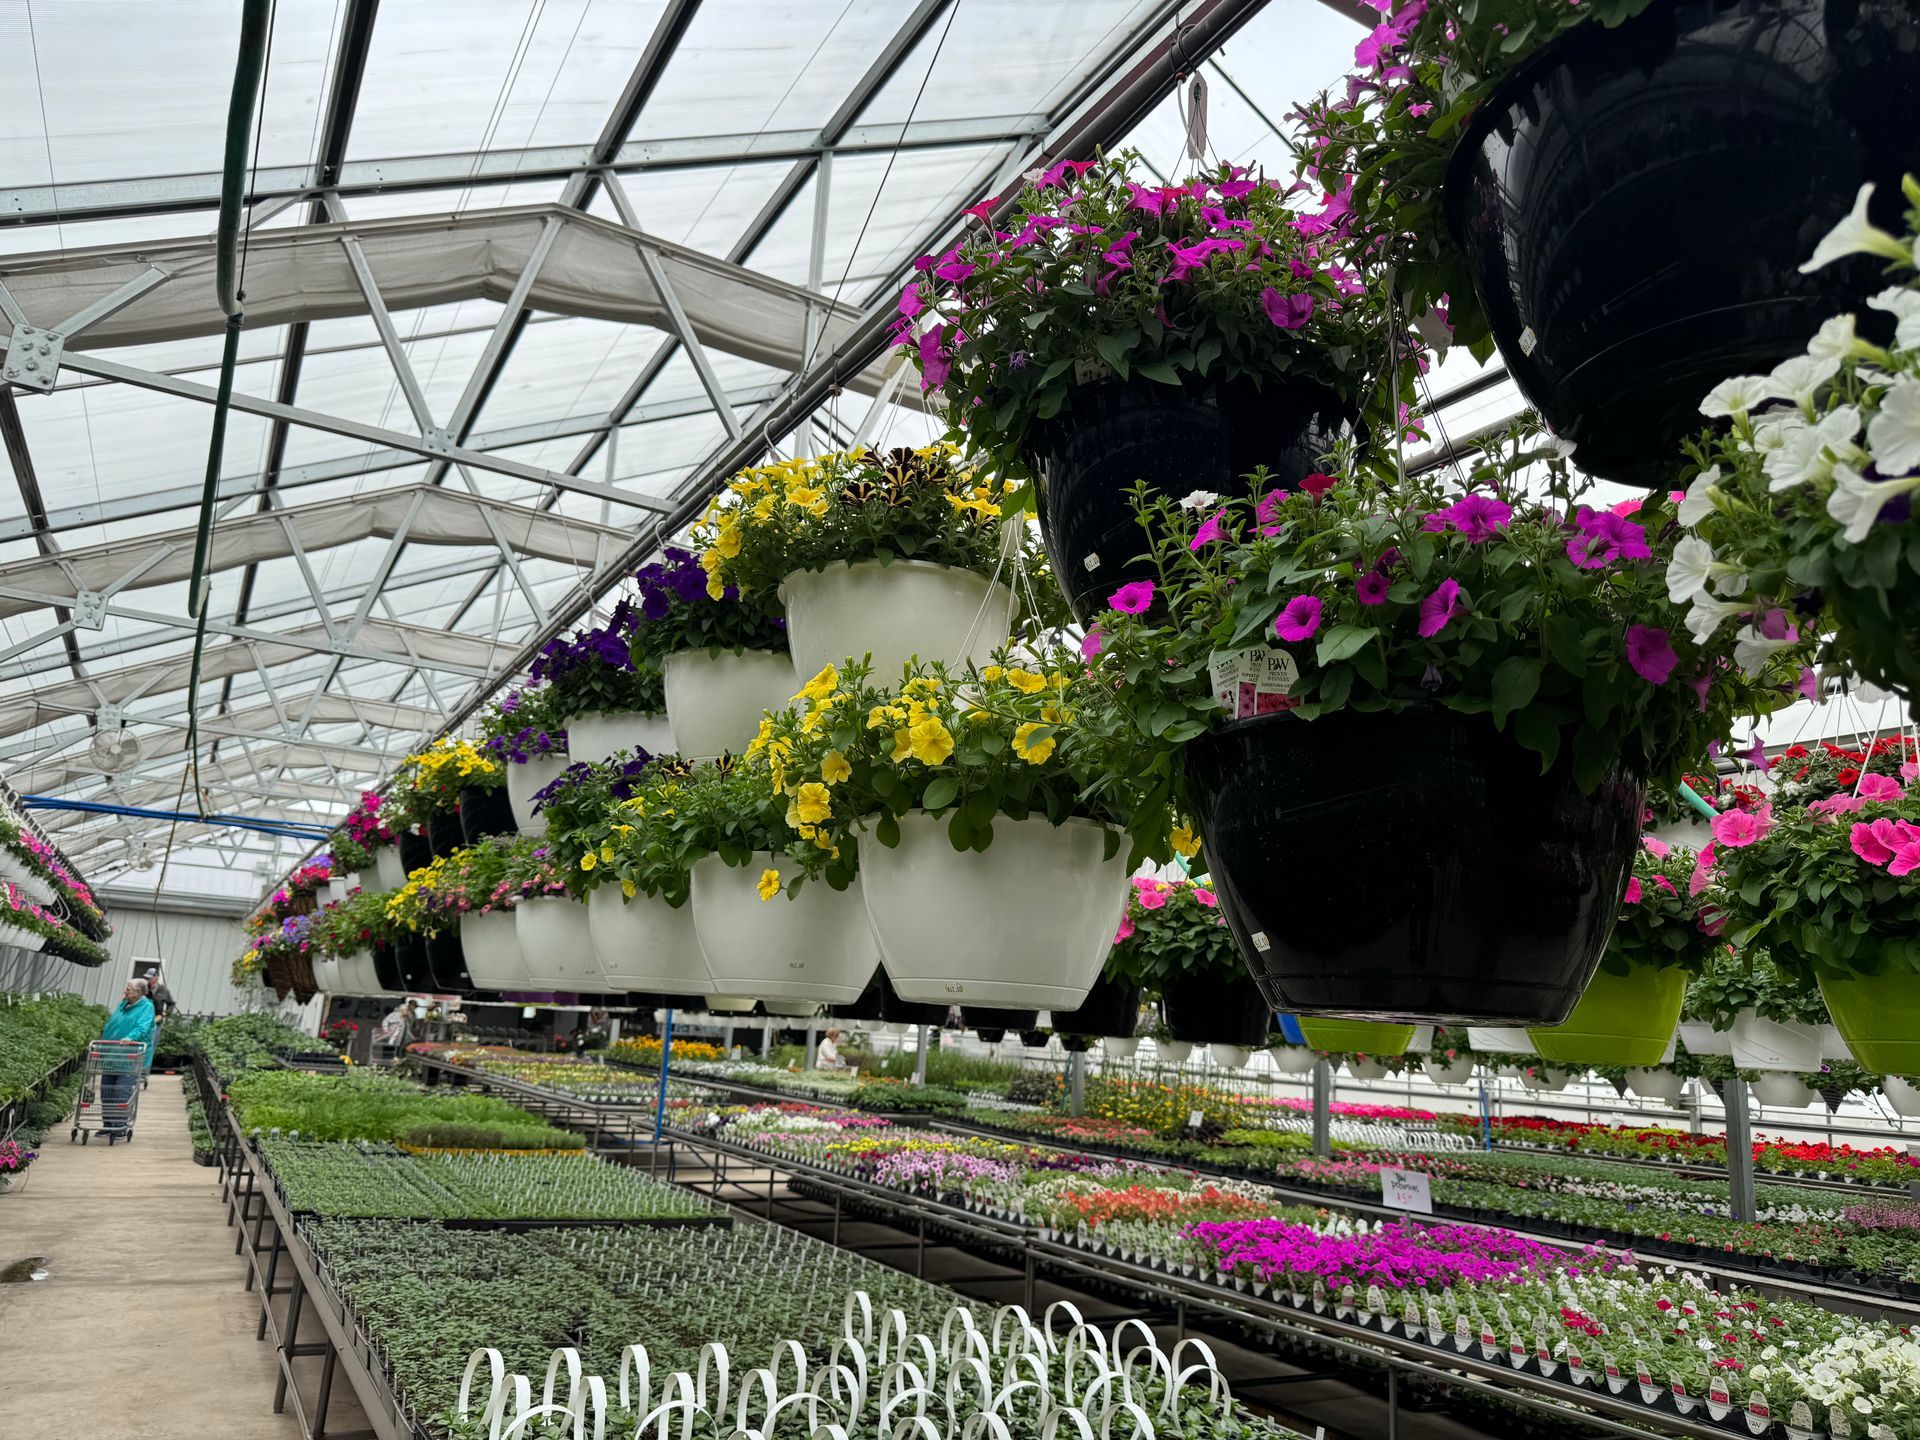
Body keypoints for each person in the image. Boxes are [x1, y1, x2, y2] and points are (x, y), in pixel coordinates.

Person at [99, 978, 155, 1134]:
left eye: (129, 989)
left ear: (138, 992)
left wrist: (130, 1038)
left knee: (121, 1090)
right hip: (111, 1053)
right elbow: (112, 1024)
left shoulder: (146, 1007)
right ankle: (108, 1124)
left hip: (130, 1055)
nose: (125, 990)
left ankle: (119, 1126)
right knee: (106, 1090)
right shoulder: (123, 1005)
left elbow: (142, 1027)